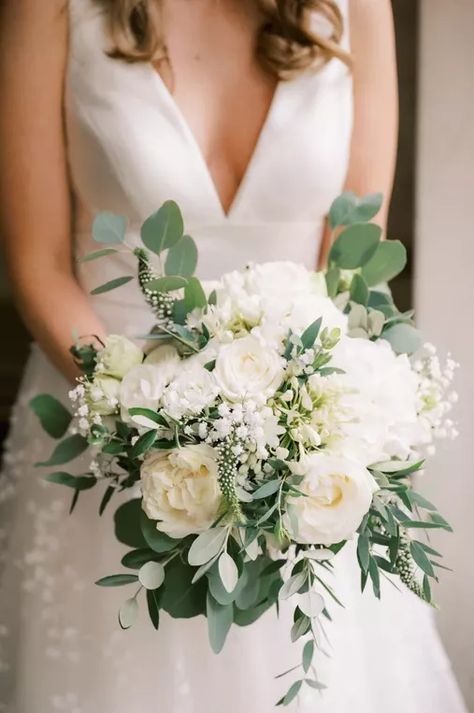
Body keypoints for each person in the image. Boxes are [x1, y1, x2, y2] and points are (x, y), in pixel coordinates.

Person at [0, 1, 467, 711]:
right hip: (101, 447)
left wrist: (293, 430)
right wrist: (152, 430)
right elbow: (39, 265)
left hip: (304, 460)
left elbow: (354, 255)